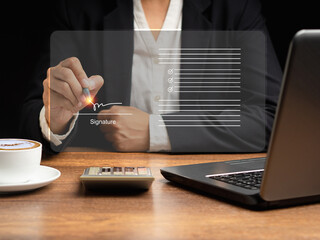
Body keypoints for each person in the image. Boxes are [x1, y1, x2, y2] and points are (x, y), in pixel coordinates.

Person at [20, 0, 282, 153]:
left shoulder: (235, 8)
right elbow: (32, 115)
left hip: (208, 185)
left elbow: (272, 117)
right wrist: (56, 121)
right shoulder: (77, 8)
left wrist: (156, 130)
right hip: (104, 188)